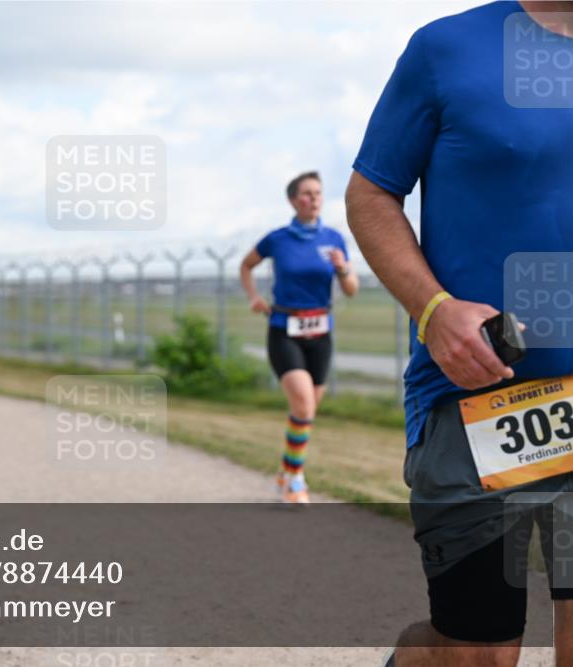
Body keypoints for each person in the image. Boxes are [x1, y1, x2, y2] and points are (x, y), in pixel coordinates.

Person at [345, 3, 573, 665]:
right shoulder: (448, 47)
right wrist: (434, 308)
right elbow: (371, 193)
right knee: (478, 653)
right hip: (476, 398)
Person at [240, 171, 359, 504]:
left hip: (321, 332)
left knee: (305, 413)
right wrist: (254, 297)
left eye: (318, 192)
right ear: (293, 200)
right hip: (284, 330)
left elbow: (350, 291)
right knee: (304, 406)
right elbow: (245, 266)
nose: (314, 198)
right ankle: (295, 480)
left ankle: (285, 471)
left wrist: (344, 269)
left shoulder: (334, 238)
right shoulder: (277, 239)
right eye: (307, 193)